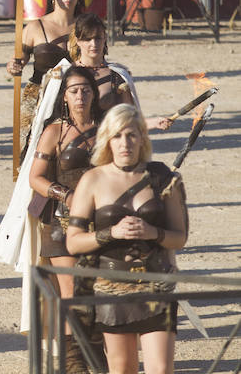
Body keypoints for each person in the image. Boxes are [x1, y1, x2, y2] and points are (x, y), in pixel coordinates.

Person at [66, 104, 187, 374]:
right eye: (117, 136)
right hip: (111, 289)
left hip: (156, 285)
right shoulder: (92, 179)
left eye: (132, 135)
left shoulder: (162, 177)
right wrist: (111, 233)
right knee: (122, 370)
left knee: (161, 369)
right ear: (107, 140)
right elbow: (73, 242)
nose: (125, 143)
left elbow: (179, 238)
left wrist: (153, 233)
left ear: (142, 137)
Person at [26, 65, 102, 372]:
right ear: (65, 97)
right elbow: (35, 178)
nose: (80, 95)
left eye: (85, 89)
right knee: (72, 294)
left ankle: (97, 357)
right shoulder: (54, 132)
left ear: (94, 94)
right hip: (62, 223)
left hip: (102, 222)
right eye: (74, 90)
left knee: (99, 292)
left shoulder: (108, 128)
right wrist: (67, 195)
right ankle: (74, 364)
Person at [7, 0, 84, 143]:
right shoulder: (35, 27)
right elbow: (18, 60)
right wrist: (13, 66)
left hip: (78, 96)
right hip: (39, 97)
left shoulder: (87, 26)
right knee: (30, 147)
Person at [70, 12, 172, 131]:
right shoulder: (65, 74)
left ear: (104, 38)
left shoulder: (117, 75)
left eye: (98, 38)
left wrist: (153, 122)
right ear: (78, 41)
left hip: (105, 139)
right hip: (73, 140)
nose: (94, 44)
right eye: (87, 39)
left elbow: (130, 117)